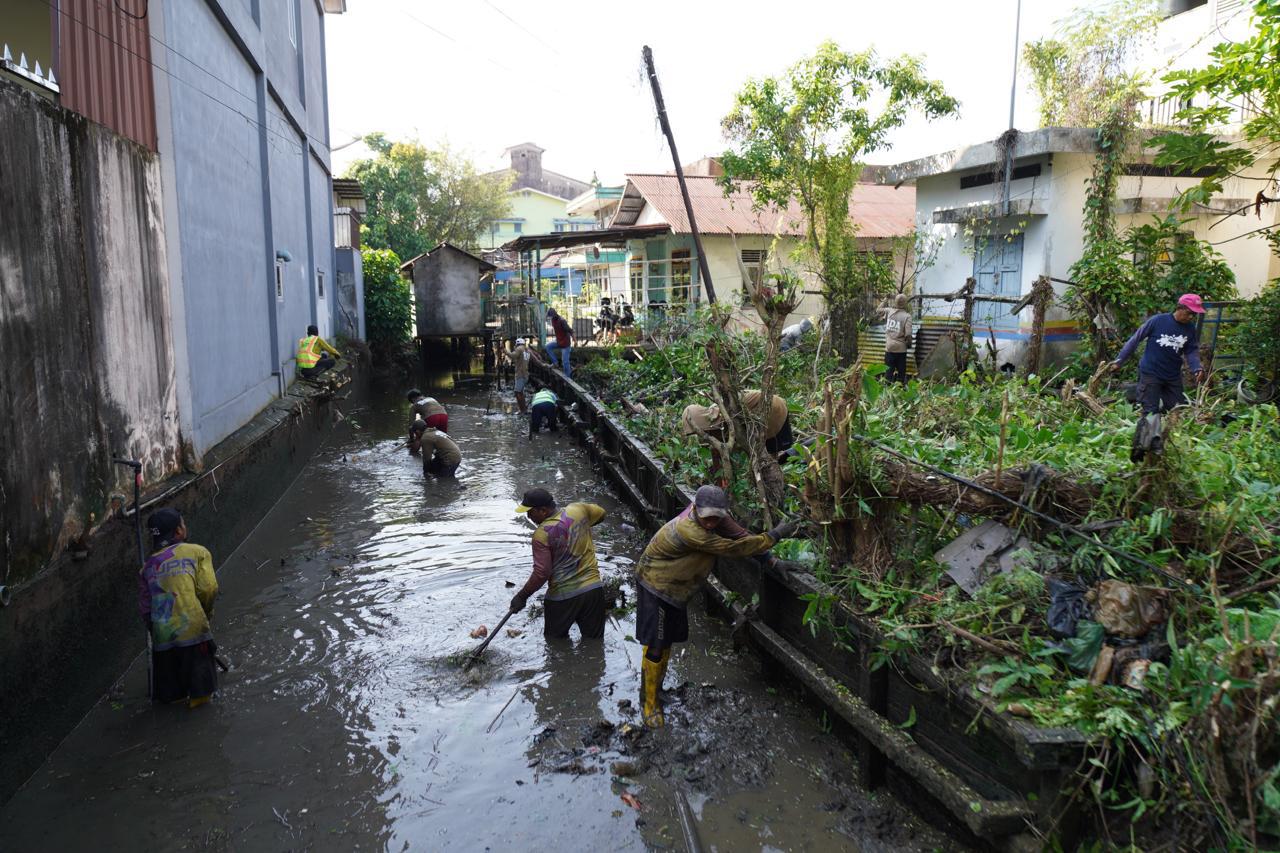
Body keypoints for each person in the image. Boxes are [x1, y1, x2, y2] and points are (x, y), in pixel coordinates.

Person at [634, 485, 798, 727]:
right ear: (696, 510)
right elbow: (735, 548)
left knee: (665, 641)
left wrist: (772, 561)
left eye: (717, 518)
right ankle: (649, 705)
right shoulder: (689, 530)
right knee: (656, 644)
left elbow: (741, 537)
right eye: (707, 518)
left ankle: (654, 691)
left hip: (677, 588)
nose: (711, 523)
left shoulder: (716, 519)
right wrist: (776, 534)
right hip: (656, 585)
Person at [138, 508, 219, 708]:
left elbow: (146, 609)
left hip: (162, 638)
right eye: (183, 524)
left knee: (173, 698)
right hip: (193, 631)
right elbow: (208, 589)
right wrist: (206, 615)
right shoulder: (198, 552)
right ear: (178, 532)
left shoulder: (146, 567)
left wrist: (156, 631)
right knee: (202, 696)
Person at [510, 488, 608, 640]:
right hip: (593, 590)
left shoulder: (541, 535)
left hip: (563, 597)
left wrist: (522, 596)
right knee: (594, 643)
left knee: (555, 644)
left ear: (543, 510)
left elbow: (542, 572)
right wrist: (580, 529)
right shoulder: (578, 509)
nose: (528, 516)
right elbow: (601, 513)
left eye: (530, 512)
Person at [1110, 293, 1206, 414]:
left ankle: (1167, 432)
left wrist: (1197, 367)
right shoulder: (1158, 321)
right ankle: (1148, 432)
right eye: (1189, 313)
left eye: (1194, 314)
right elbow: (1135, 339)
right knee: (1150, 411)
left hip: (1172, 375)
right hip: (1151, 373)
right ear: (1179, 308)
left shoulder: (1190, 328)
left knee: (1177, 410)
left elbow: (1191, 350)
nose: (1191, 317)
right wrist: (1119, 361)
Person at [680, 390, 793, 480]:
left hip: (773, 409)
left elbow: (731, 446)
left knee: (771, 458)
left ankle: (774, 481)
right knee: (767, 457)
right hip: (764, 410)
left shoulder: (721, 417)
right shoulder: (714, 416)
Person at [879, 294, 913, 384]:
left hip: (889, 348)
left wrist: (886, 298)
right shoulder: (907, 316)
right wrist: (909, 345)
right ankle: (899, 391)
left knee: (888, 372)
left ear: (895, 302)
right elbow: (908, 335)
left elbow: (878, 310)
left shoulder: (889, 311)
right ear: (905, 304)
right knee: (901, 373)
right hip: (901, 350)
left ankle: (886, 392)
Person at [504, 339, 542, 414]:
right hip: (525, 375)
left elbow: (512, 356)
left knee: (517, 392)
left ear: (518, 344)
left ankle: (523, 410)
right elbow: (536, 361)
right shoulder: (527, 350)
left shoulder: (519, 348)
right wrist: (545, 365)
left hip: (520, 374)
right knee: (520, 392)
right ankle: (523, 409)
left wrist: (505, 351)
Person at [546, 308, 574, 377]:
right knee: (548, 346)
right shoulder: (553, 320)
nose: (550, 318)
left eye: (551, 316)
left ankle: (568, 378)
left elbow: (570, 331)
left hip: (565, 344)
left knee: (565, 362)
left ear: (554, 315)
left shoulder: (562, 321)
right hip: (559, 341)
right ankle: (555, 363)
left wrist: (575, 340)